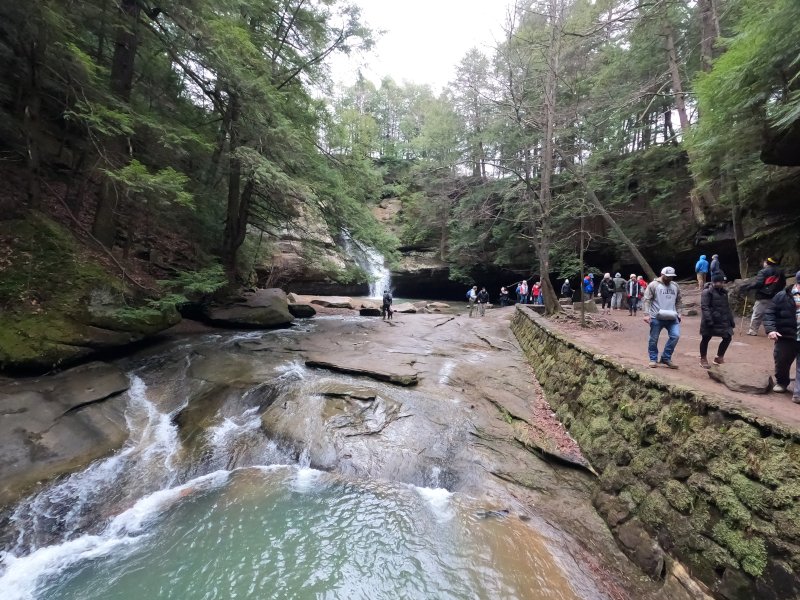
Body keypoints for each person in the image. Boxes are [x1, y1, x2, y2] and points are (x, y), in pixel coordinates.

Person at [764, 271, 800, 402]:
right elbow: (769, 313)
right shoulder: (782, 296)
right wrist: (771, 330)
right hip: (786, 336)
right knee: (782, 362)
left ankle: (798, 394)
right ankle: (782, 382)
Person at [643, 266, 683, 368]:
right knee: (654, 338)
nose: (670, 278)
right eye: (668, 276)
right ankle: (653, 359)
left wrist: (679, 313)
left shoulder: (675, 286)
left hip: (672, 316)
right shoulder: (653, 285)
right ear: (662, 274)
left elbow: (678, 300)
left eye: (671, 276)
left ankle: (666, 357)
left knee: (675, 336)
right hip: (656, 316)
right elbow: (647, 300)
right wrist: (646, 314)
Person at [741, 257, 785, 336]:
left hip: (763, 295)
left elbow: (759, 283)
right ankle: (776, 331)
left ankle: (753, 330)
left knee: (757, 313)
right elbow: (783, 284)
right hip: (776, 296)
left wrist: (749, 287)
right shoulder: (780, 272)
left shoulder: (763, 271)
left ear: (767, 263)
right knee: (774, 313)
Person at [699, 274, 735, 368]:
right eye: (721, 282)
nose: (723, 284)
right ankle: (703, 359)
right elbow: (704, 307)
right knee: (706, 338)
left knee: (728, 337)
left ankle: (719, 357)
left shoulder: (724, 293)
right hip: (710, 320)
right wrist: (709, 320)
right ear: (715, 281)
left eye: (723, 282)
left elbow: (727, 308)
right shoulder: (707, 292)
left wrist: (731, 320)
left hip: (722, 320)